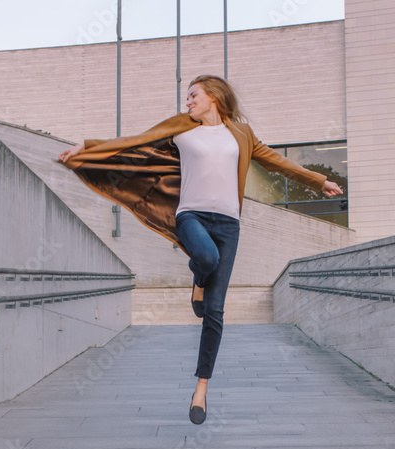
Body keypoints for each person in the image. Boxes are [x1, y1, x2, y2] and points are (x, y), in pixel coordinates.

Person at [59, 75, 342, 424]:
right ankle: (198, 280)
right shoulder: (181, 127)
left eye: (193, 95)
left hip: (228, 223)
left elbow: (276, 162)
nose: (188, 101)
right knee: (206, 257)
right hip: (190, 214)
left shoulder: (242, 133)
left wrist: (320, 180)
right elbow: (134, 142)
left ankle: (201, 389)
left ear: (213, 96)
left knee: (216, 311)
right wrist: (86, 147)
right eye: (188, 97)